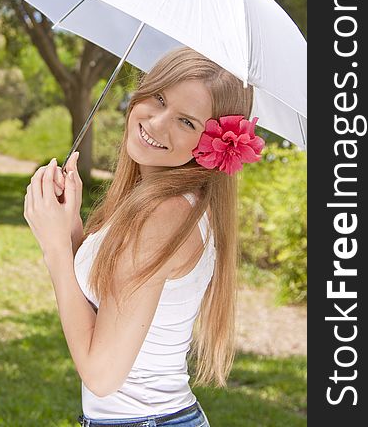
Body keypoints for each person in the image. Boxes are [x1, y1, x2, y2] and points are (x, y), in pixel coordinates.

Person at [23, 46, 265, 427]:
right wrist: (70, 228)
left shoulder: (163, 215)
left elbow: (102, 375)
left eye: (186, 122)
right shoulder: (164, 201)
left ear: (210, 145)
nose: (156, 123)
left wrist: (55, 250)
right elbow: (103, 306)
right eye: (159, 97)